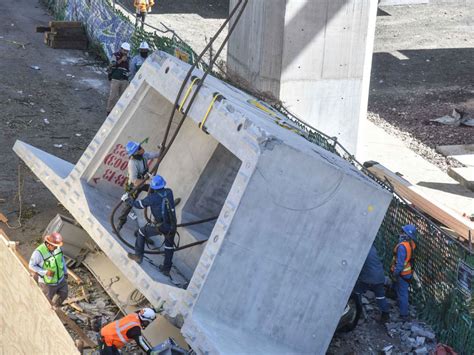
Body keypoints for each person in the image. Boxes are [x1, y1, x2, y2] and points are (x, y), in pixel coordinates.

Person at [125, 175, 177, 276]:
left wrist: (127, 200)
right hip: (172, 225)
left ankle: (138, 256)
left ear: (153, 187)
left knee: (141, 232)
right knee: (169, 247)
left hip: (161, 227)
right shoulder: (169, 192)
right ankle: (166, 269)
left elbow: (138, 205)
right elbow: (162, 195)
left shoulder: (152, 198)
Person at [116, 141, 160, 230]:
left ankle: (161, 212)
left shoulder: (143, 156)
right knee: (128, 205)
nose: (142, 148)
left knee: (158, 191)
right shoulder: (132, 163)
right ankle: (120, 223)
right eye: (139, 148)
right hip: (134, 186)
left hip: (143, 181)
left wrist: (162, 149)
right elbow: (135, 181)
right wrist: (148, 182)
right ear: (135, 153)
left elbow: (155, 155)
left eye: (140, 146)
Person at [29, 232, 68, 307]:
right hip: (47, 283)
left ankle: (55, 308)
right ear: (48, 244)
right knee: (45, 303)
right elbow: (31, 266)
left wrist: (65, 272)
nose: (57, 248)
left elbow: (61, 259)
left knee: (63, 294)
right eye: (55, 246)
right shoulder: (39, 252)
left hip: (61, 279)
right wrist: (45, 272)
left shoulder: (57, 248)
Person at [355, 245, 390, 323]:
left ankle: (358, 313)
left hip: (368, 277)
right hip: (379, 276)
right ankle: (385, 315)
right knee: (380, 296)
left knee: (357, 292)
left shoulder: (362, 249)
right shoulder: (373, 248)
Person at [391, 224, 417, 321]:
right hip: (407, 272)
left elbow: (400, 264)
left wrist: (395, 274)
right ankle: (400, 305)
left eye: (403, 232)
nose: (400, 233)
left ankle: (404, 314)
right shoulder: (411, 244)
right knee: (401, 291)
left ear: (406, 235)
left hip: (402, 274)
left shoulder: (402, 247)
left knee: (403, 293)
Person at [106, 42, 131, 115]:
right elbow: (111, 65)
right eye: (124, 50)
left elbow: (130, 69)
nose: (126, 52)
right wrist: (121, 60)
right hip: (116, 78)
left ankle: (120, 112)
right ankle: (109, 111)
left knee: (123, 97)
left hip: (124, 79)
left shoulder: (129, 59)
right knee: (113, 96)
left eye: (127, 51)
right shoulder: (115, 55)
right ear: (121, 49)